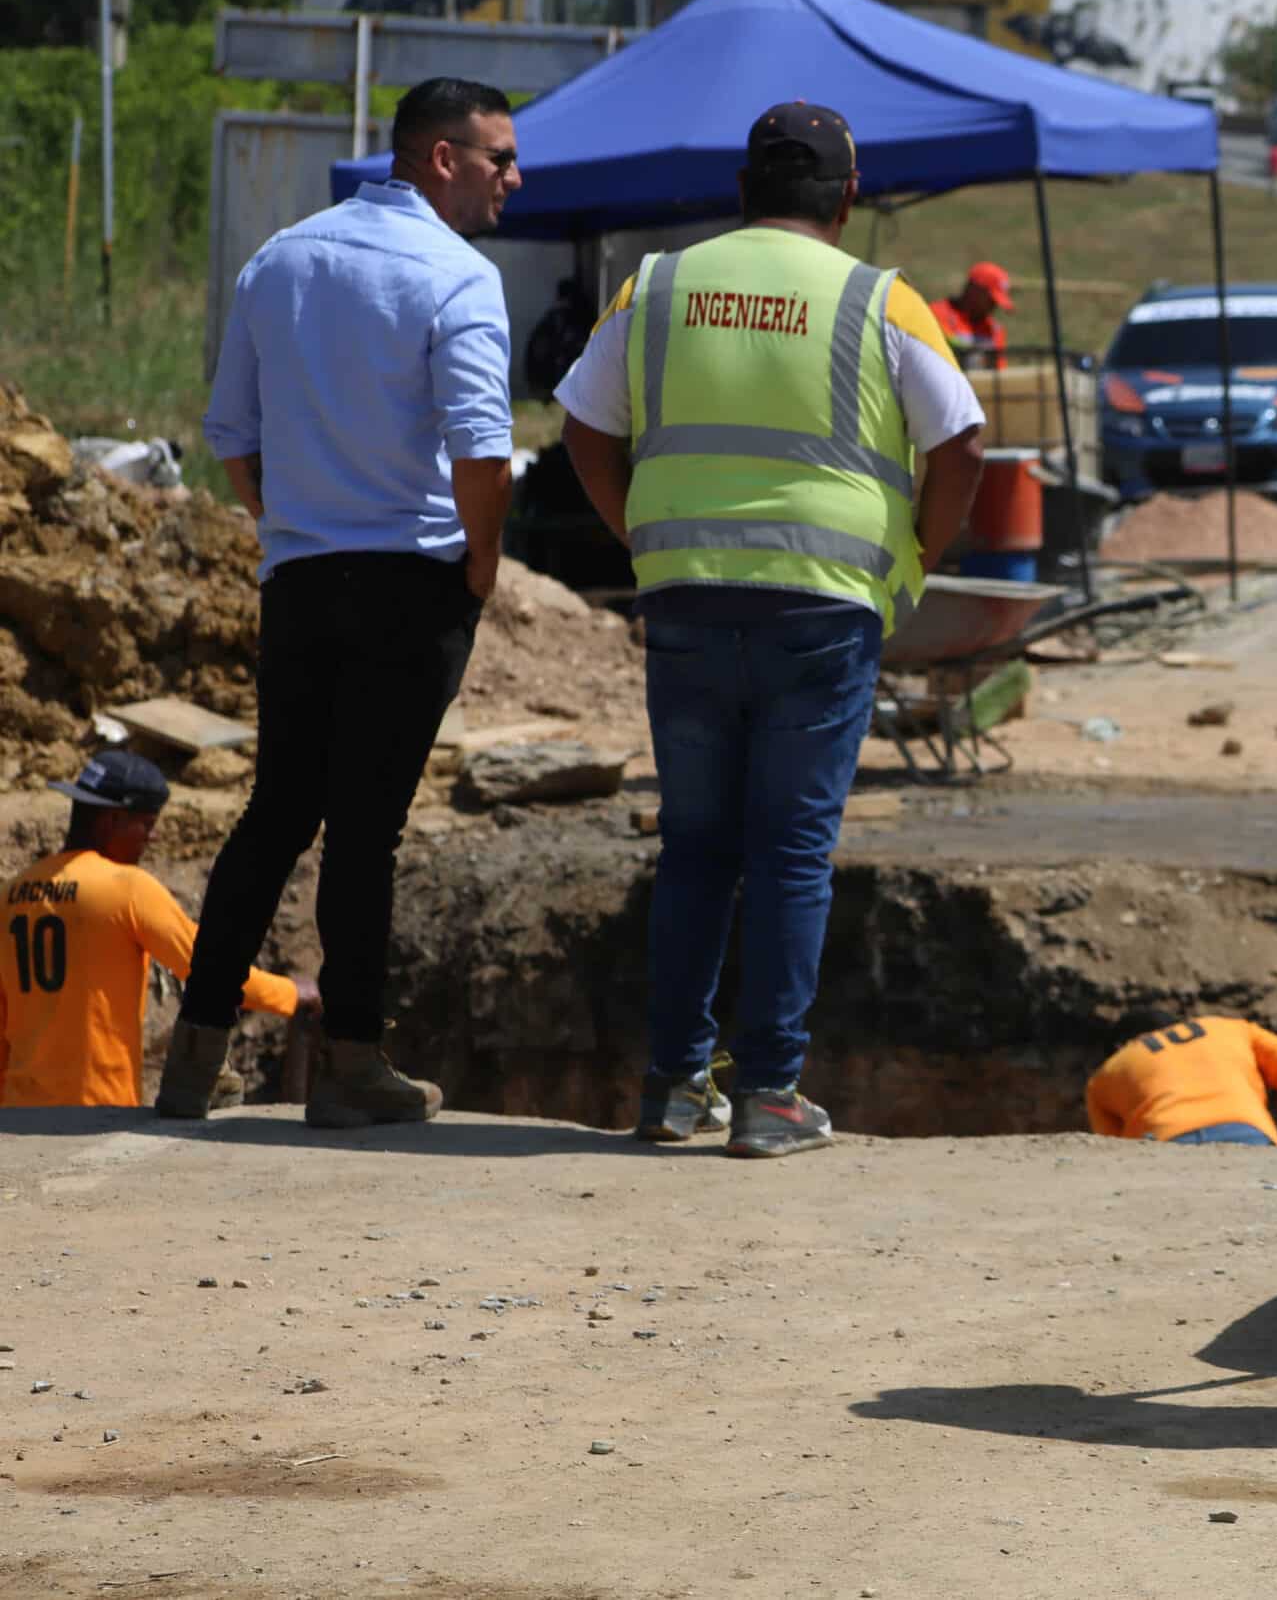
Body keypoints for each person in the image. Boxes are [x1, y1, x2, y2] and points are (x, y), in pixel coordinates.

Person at [556, 100, 987, 1160]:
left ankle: (670, 1088)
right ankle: (769, 1095)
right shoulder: (879, 299)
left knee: (697, 848)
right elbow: (963, 439)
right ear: (845, 198)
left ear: (742, 189)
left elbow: (582, 425)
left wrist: (641, 536)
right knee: (792, 848)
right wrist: (919, 559)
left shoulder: (653, 286)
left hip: (687, 595)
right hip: (825, 603)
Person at [177, 76, 522, 1129]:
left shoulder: (279, 259)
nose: (515, 177)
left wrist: (288, 525)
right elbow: (482, 451)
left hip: (302, 579)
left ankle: (190, 1064)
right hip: (411, 585)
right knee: (365, 829)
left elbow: (232, 437)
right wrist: (481, 566)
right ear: (441, 158)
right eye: (499, 157)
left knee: (276, 811)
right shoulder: (457, 276)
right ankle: (355, 1065)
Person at [1, 752, 310, 1111]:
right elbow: (213, 971)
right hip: (95, 1107)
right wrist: (292, 995)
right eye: (146, 824)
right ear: (112, 819)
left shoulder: (10, 895)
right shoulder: (126, 888)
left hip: (18, 1115)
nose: (152, 837)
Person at [1085, 1016, 1277, 1146]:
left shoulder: (1105, 1074)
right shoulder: (1229, 1027)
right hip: (1246, 1134)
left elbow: (1117, 1151)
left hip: (1166, 1147)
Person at [929, 262, 1013, 370]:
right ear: (975, 290)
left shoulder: (995, 331)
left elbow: (999, 376)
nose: (994, 305)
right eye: (991, 299)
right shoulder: (934, 315)